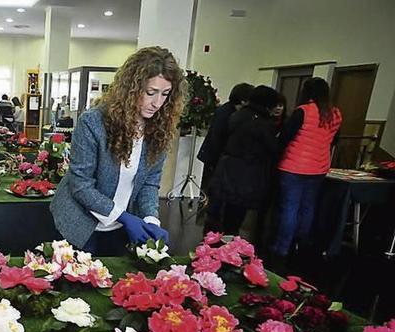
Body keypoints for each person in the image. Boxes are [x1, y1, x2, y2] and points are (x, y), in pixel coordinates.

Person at [50, 46, 185, 256]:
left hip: (120, 228)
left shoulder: (158, 129)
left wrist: (150, 219)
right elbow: (81, 185)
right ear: (131, 88)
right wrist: (122, 216)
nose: (157, 103)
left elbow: (149, 182)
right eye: (151, 93)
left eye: (165, 94)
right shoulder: (93, 123)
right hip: (79, 223)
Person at [271, 77, 342, 257]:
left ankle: (282, 247)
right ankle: (299, 245)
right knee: (308, 207)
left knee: (290, 207)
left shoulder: (303, 111)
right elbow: (334, 140)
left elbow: (285, 137)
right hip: (319, 168)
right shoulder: (335, 114)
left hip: (293, 166)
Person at [206, 86, 280, 236]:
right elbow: (273, 148)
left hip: (227, 166)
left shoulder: (237, 115)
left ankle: (210, 246)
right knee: (235, 217)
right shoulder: (263, 122)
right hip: (247, 172)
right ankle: (228, 248)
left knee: (218, 212)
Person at [198, 82, 254, 229]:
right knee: (215, 195)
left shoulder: (231, 112)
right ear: (243, 100)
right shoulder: (225, 113)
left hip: (217, 159)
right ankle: (211, 227)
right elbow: (217, 138)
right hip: (215, 159)